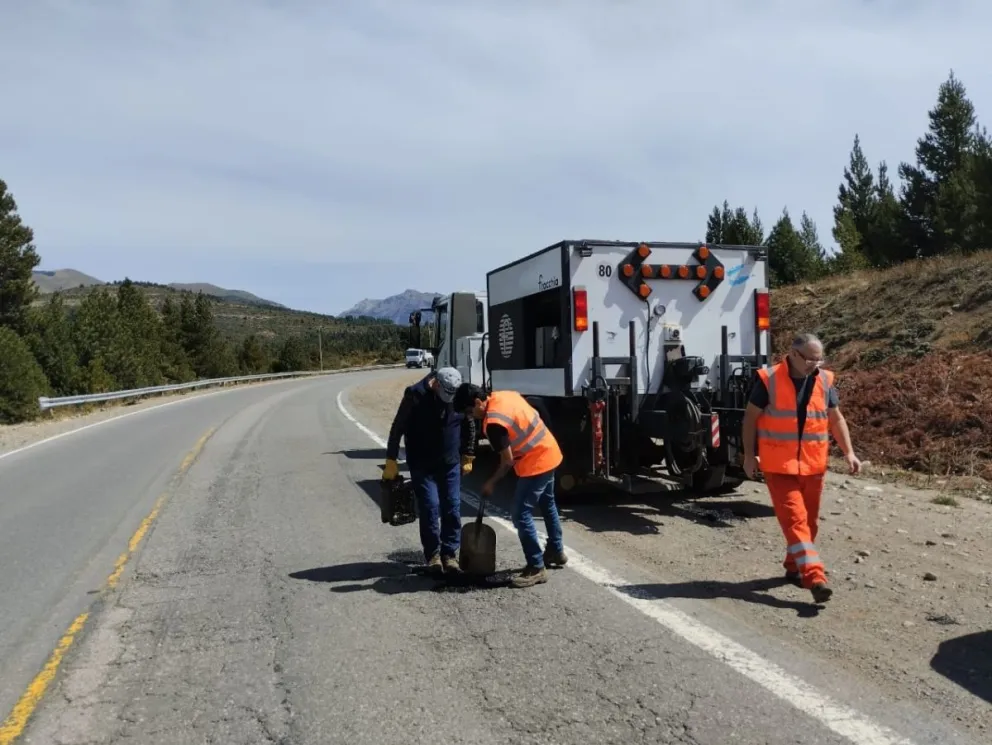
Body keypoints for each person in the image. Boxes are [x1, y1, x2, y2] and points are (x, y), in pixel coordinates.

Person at [742, 333, 861, 604]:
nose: (815, 364)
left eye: (820, 359)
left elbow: (835, 418)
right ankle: (815, 577)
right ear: (793, 354)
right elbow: (750, 419)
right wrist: (749, 456)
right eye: (810, 359)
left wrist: (849, 453)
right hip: (779, 465)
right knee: (796, 521)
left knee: (809, 524)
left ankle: (793, 566)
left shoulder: (824, 380)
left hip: (813, 464)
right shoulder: (769, 379)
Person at [453, 383, 566, 588]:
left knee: (520, 513)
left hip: (537, 462)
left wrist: (490, 483)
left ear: (478, 402)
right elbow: (537, 408)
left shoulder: (494, 425)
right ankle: (556, 551)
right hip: (549, 450)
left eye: (470, 411)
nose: (471, 416)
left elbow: (507, 462)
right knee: (547, 503)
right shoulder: (503, 395)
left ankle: (536, 566)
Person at [382, 367, 476, 574]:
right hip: (422, 463)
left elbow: (469, 422)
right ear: (436, 384)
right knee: (430, 507)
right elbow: (398, 427)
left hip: (450, 462)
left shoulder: (458, 393)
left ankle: (449, 554)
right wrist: (391, 459)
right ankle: (433, 555)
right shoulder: (415, 394)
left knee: (452, 506)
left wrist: (468, 453)